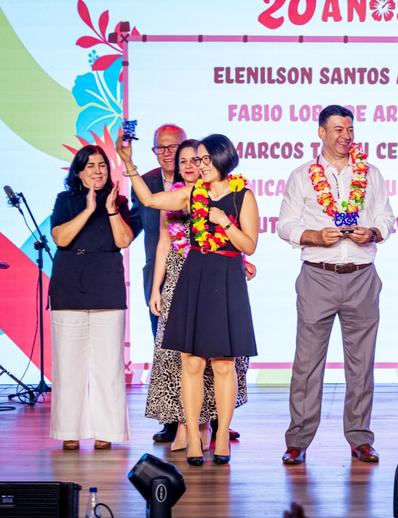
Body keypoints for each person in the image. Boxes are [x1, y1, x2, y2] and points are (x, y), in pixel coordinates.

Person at [120, 132, 259, 466]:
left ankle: (221, 434)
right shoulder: (191, 194)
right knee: (191, 362)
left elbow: (249, 246)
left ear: (223, 159)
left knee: (224, 364)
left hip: (226, 276)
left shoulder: (243, 197)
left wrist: (224, 221)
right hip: (194, 275)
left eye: (206, 159)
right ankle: (194, 437)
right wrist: (129, 165)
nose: (201, 165)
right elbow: (152, 202)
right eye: (198, 160)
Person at [278, 105, 394, 465]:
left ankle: (360, 438)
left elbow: (386, 218)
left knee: (361, 363)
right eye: (338, 129)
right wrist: (313, 234)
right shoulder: (301, 176)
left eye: (350, 129)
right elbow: (285, 225)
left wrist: (371, 232)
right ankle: (298, 440)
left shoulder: (370, 173)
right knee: (307, 363)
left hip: (361, 276)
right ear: (321, 133)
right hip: (317, 275)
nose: (346, 136)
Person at [49, 145, 134, 450]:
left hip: (106, 284)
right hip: (69, 283)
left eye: (102, 166)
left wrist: (109, 209)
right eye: (90, 166)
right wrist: (87, 209)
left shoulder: (120, 201)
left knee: (108, 364)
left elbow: (123, 240)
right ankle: (68, 430)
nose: (97, 171)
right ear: (79, 172)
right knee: (68, 363)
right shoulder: (66, 200)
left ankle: (106, 430)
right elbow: (61, 238)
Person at [128, 124, 188, 444]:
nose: (167, 154)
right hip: (158, 278)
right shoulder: (147, 183)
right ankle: (171, 421)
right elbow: (133, 225)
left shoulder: (199, 177)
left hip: (197, 277)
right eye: (160, 148)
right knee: (164, 351)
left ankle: (211, 420)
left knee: (203, 352)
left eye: (172, 147)